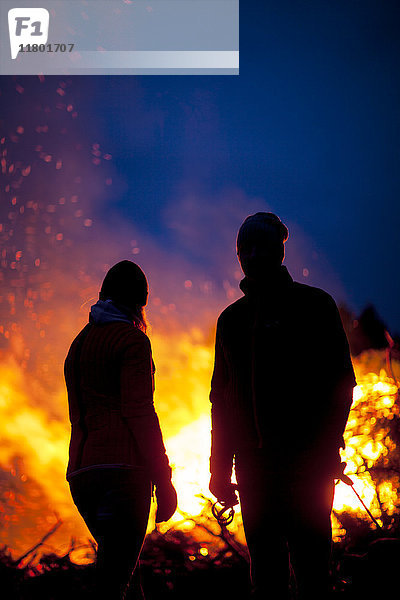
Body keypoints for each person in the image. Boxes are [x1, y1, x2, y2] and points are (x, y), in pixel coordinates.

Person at [209, 213, 356, 599]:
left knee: (312, 574)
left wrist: (326, 448)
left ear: (280, 251)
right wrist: (219, 471)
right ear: (238, 254)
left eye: (263, 247)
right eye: (245, 248)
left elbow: (342, 384)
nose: (253, 255)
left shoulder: (314, 305)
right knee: (267, 580)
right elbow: (220, 403)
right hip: (255, 471)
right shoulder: (231, 321)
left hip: (308, 466)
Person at [65, 260, 177, 599]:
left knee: (122, 574)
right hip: (124, 474)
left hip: (82, 474)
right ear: (139, 303)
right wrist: (164, 478)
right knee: (115, 583)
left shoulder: (79, 344)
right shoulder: (133, 341)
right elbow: (139, 412)